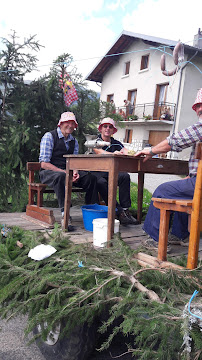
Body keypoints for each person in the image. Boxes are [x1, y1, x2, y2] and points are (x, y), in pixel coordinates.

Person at [135, 88, 202, 250]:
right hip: (197, 180)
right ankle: (181, 235)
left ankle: (157, 240)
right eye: (198, 106)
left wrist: (150, 151)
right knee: (177, 190)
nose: (199, 109)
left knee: (162, 190)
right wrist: (192, 175)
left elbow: (174, 141)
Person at [39, 112, 99, 231]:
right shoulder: (49, 136)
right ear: (61, 123)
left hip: (67, 173)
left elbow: (74, 162)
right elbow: (44, 163)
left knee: (90, 178)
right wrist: (65, 173)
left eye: (72, 123)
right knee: (61, 176)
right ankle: (64, 214)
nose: (70, 126)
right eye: (67, 122)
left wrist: (75, 172)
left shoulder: (74, 141)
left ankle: (92, 213)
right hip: (49, 173)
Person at [91, 117, 138, 226]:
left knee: (125, 176)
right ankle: (118, 210)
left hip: (111, 172)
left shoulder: (116, 143)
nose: (107, 129)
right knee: (101, 182)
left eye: (110, 127)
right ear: (100, 129)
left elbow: (125, 150)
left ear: (113, 130)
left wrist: (133, 153)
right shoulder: (95, 141)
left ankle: (126, 210)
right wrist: (113, 154)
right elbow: (98, 151)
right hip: (97, 172)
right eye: (105, 126)